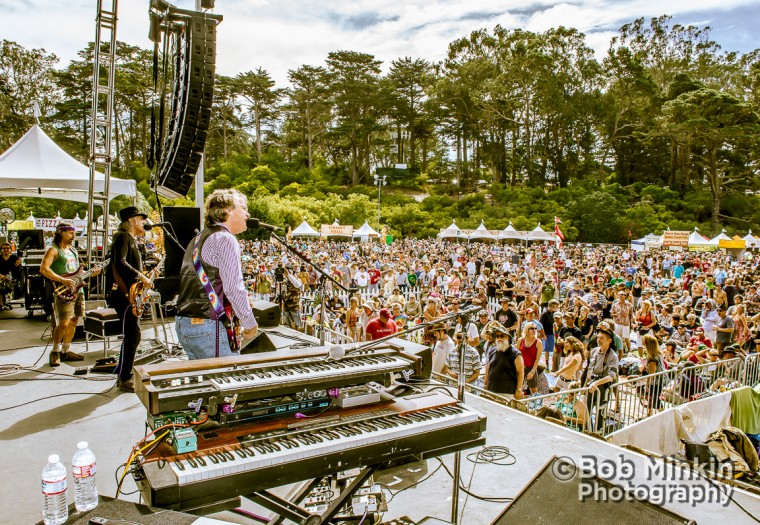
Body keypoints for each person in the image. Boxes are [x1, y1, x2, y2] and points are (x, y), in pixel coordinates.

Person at [175, 189, 258, 360]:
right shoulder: (225, 239)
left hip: (185, 322)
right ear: (227, 210)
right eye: (243, 207)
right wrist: (249, 322)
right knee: (228, 380)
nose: (247, 213)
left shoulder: (199, 238)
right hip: (207, 326)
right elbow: (233, 288)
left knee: (207, 382)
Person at [108, 206, 153, 392]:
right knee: (133, 334)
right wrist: (141, 277)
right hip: (124, 294)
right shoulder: (123, 237)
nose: (144, 222)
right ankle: (125, 377)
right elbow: (119, 262)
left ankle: (121, 369)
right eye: (141, 219)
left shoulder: (131, 239)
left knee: (130, 333)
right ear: (132, 220)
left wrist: (146, 275)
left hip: (130, 293)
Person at [39, 223, 94, 366]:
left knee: (74, 321)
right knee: (63, 322)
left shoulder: (73, 250)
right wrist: (62, 280)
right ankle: (55, 351)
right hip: (63, 291)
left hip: (77, 290)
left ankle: (66, 350)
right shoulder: (53, 250)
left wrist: (90, 273)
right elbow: (44, 269)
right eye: (70, 233)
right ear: (60, 233)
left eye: (73, 233)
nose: (73, 236)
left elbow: (76, 271)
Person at [484, 324, 524, 399]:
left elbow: (520, 372)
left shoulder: (515, 354)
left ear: (508, 338)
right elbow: (488, 368)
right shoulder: (492, 350)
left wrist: (519, 389)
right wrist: (485, 383)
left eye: (502, 336)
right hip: (491, 390)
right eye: (497, 336)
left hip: (507, 392)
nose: (499, 338)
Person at [517, 322, 544, 395]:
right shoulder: (520, 340)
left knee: (534, 391)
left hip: (531, 368)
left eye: (535, 328)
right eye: (532, 328)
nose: (534, 330)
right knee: (518, 388)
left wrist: (532, 371)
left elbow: (537, 359)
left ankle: (535, 405)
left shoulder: (538, 342)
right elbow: (516, 354)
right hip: (520, 367)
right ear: (527, 330)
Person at [278, 264, 305, 329]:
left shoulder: (297, 280)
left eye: (289, 271)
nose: (287, 273)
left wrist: (288, 274)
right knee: (286, 328)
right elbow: (281, 294)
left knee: (296, 329)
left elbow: (297, 285)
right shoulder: (284, 282)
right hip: (285, 308)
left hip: (294, 309)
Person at [0, 241, 21, 310]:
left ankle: (1, 303)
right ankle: (1, 303)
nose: (6, 249)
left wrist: (19, 262)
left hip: (11, 279)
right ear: (1, 250)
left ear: (10, 249)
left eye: (7, 248)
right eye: (4, 248)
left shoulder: (14, 258)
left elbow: (17, 270)